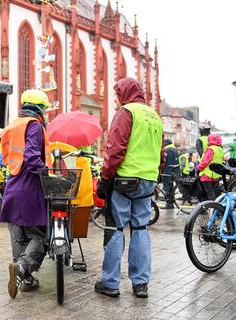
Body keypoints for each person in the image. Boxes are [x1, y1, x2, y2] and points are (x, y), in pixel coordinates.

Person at [95, 77, 164, 299]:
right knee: (141, 229)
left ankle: (111, 282)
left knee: (116, 229)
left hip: (125, 181)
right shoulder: (155, 116)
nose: (117, 99)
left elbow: (115, 148)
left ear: (124, 93)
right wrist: (155, 178)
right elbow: (160, 154)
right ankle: (141, 283)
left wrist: (105, 179)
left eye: (118, 94)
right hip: (148, 181)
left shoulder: (127, 112)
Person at [0, 89, 52, 300]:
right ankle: (22, 268)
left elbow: (8, 158)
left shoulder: (13, 125)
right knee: (41, 237)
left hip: (12, 187)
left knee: (18, 236)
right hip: (30, 189)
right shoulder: (34, 125)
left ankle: (26, 279)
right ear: (40, 108)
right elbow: (31, 157)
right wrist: (45, 172)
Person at [197, 133, 223, 200]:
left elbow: (205, 161)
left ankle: (212, 208)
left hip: (207, 175)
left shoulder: (210, 149)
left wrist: (198, 168)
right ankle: (218, 208)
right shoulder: (220, 149)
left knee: (210, 193)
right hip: (216, 175)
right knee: (216, 193)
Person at [161, 139, 180, 209]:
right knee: (171, 188)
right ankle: (171, 202)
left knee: (167, 188)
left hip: (167, 172)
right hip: (174, 172)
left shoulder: (167, 150)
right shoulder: (175, 150)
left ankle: (168, 204)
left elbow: (164, 161)